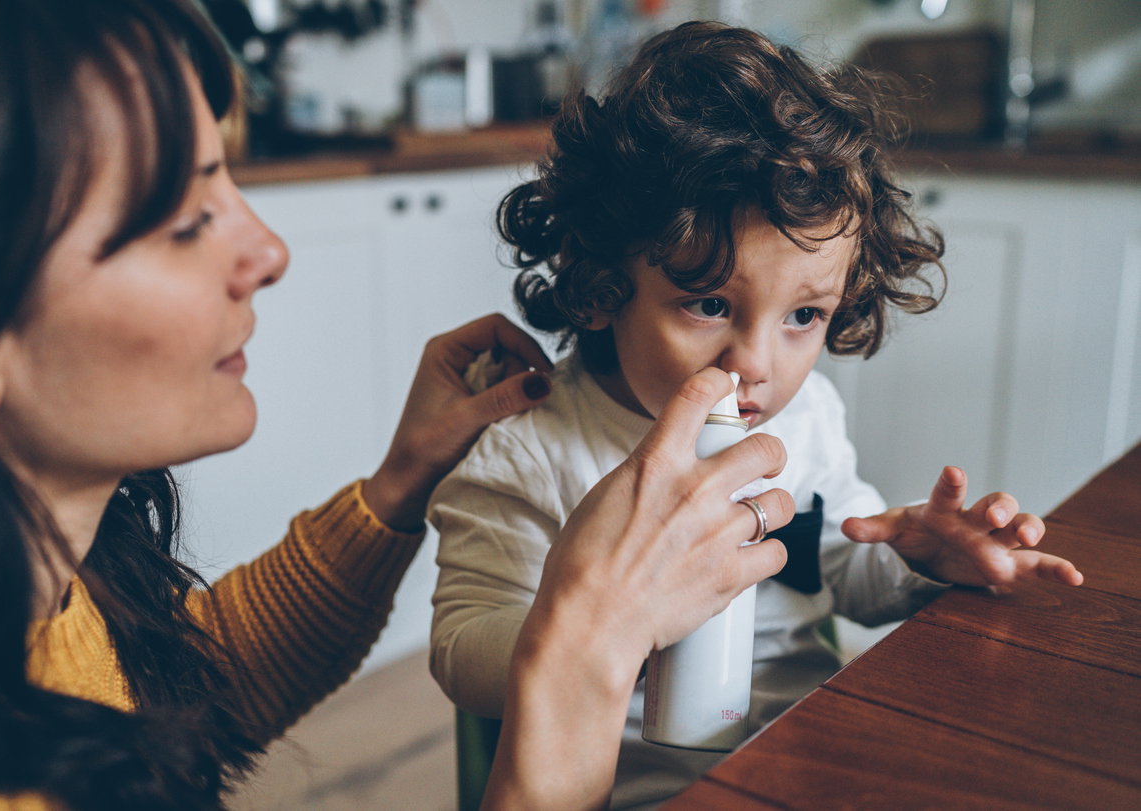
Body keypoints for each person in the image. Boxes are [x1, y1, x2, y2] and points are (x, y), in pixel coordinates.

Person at [0, 2, 796, 810]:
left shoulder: (25, 596)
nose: (268, 250)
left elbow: (168, 703)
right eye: (185, 221)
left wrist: (400, 482)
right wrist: (583, 645)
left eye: (229, 180)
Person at [428, 21, 1085, 810]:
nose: (756, 364)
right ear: (604, 286)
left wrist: (916, 556)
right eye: (708, 303)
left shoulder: (804, 418)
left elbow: (842, 573)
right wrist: (600, 631)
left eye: (803, 316)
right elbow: (460, 650)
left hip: (812, 756)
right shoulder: (528, 450)